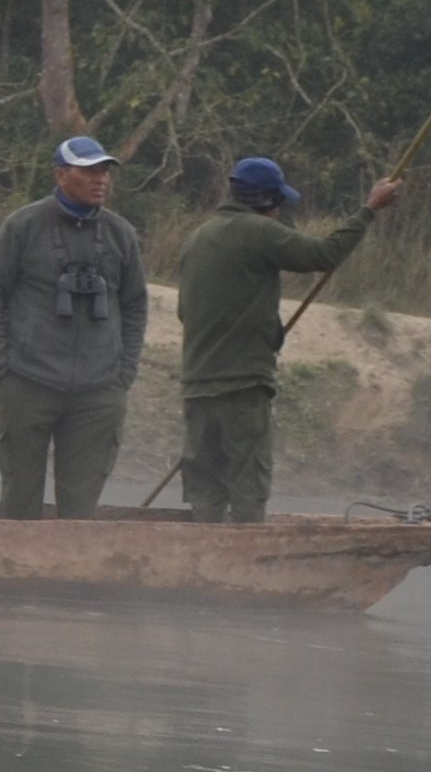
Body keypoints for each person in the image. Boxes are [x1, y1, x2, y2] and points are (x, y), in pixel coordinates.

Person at [172, 154, 403, 524]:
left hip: (196, 387)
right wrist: (370, 210)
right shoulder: (258, 231)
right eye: (279, 202)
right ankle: (245, 563)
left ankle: (203, 560)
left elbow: (186, 312)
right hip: (242, 386)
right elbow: (323, 254)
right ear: (267, 201)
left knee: (205, 485)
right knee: (248, 483)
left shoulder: (197, 238)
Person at [0, 132, 146, 518]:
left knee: (81, 504)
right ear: (60, 175)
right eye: (88, 171)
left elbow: (135, 306)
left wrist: (124, 373)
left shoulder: (122, 234)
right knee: (20, 494)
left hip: (99, 390)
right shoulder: (23, 226)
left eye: (104, 171)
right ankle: (15, 572)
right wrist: (2, 367)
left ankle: (68, 574)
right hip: (29, 382)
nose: (100, 179)